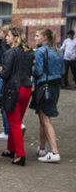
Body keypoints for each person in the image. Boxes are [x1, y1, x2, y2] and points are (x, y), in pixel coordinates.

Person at [0, 27, 33, 166]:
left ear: (16, 38)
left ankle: (20, 155)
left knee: (15, 123)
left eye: (9, 36)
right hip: (26, 88)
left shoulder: (10, 53)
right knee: (16, 121)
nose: (6, 38)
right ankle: (11, 149)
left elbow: (5, 73)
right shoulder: (29, 52)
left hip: (13, 89)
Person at [33, 27, 64, 163]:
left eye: (37, 35)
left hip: (44, 86)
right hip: (55, 86)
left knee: (45, 120)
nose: (35, 38)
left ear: (45, 37)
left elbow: (38, 71)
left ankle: (54, 151)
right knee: (43, 117)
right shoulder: (58, 51)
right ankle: (42, 148)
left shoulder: (40, 51)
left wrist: (31, 69)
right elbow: (62, 70)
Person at [0, 25, 11, 140]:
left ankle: (6, 130)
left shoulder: (3, 45)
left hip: (2, 75)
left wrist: (0, 67)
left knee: (3, 103)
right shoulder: (6, 45)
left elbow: (4, 60)